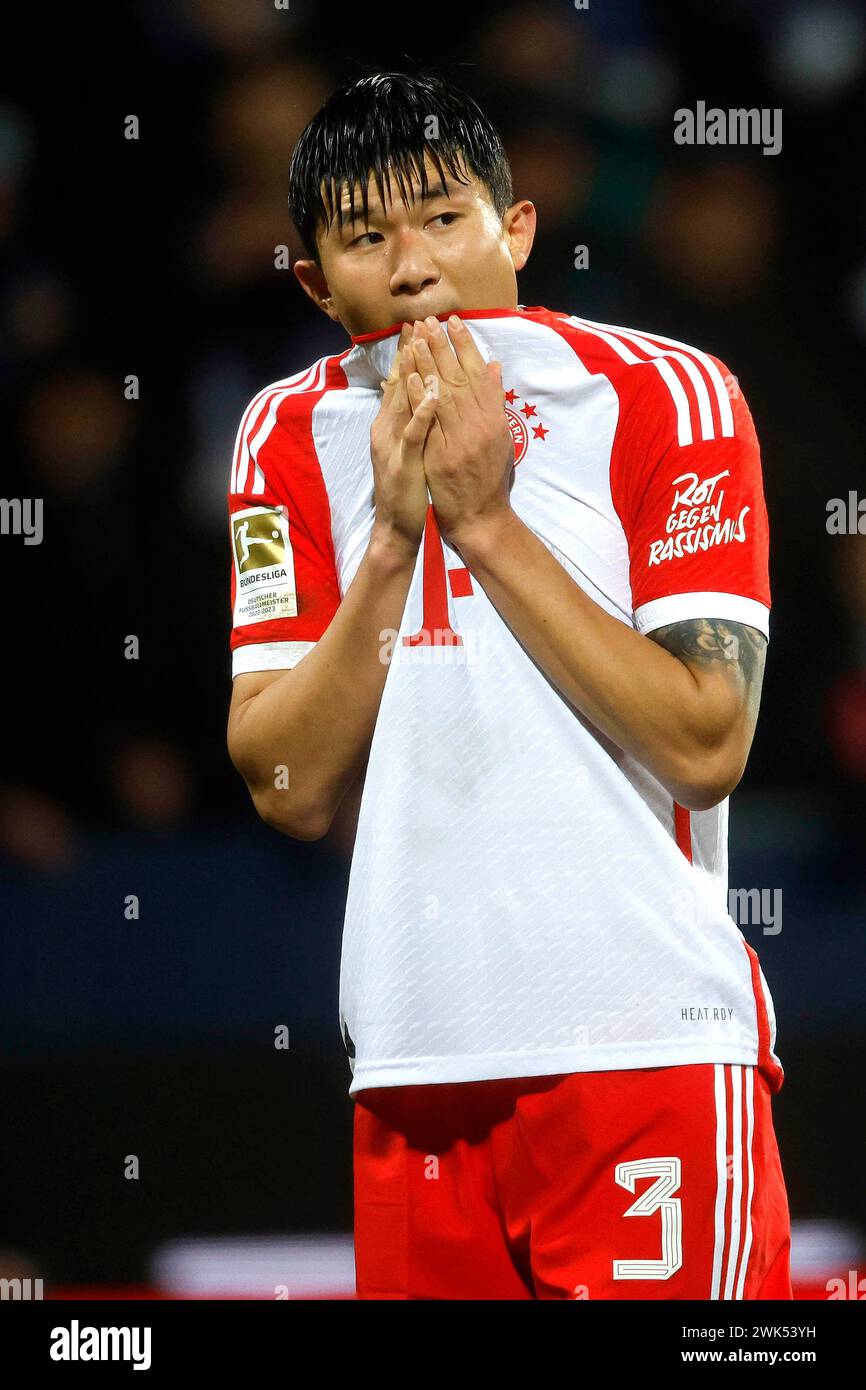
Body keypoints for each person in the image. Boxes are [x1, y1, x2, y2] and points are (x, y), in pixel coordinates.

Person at [226, 69, 791, 1300]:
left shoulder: (668, 393)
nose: (413, 264)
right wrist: (388, 541)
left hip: (646, 1047)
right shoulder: (280, 434)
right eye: (366, 237)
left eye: (441, 217)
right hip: (412, 1060)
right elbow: (283, 781)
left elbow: (705, 742)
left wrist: (483, 523)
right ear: (318, 284)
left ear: (517, 229)